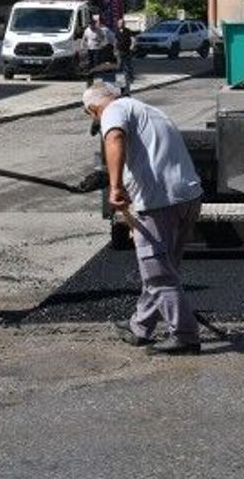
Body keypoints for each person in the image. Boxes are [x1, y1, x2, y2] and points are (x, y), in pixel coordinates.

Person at [83, 82, 204, 355]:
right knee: (164, 267)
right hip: (187, 197)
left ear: (93, 110)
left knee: (158, 273)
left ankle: (185, 336)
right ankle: (140, 327)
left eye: (93, 117)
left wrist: (115, 187)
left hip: (159, 202)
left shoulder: (113, 110)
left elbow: (114, 138)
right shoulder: (149, 110)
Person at [114, 18, 135, 94]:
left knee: (128, 66)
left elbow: (132, 39)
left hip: (127, 51)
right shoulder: (116, 31)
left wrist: (132, 46)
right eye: (119, 23)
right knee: (119, 68)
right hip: (119, 52)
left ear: (124, 24)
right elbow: (115, 41)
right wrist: (115, 50)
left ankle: (130, 80)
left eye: (122, 23)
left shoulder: (128, 31)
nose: (121, 24)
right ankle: (120, 84)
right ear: (117, 24)